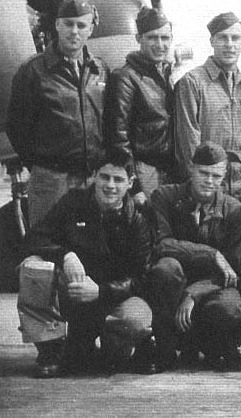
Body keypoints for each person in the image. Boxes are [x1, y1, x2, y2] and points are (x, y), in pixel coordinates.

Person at [18, 158, 155, 377]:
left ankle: (114, 348)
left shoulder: (138, 218)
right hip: (74, 295)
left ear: (130, 183)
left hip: (114, 299)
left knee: (135, 320)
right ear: (93, 177)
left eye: (118, 179)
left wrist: (102, 291)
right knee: (33, 266)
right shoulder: (73, 202)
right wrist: (66, 255)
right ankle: (50, 349)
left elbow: (143, 278)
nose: (110, 185)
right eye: (105, 177)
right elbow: (34, 239)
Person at [7, 0, 110, 227]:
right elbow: (16, 127)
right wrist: (42, 166)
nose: (74, 31)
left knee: (89, 250)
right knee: (47, 250)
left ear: (91, 29)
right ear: (57, 25)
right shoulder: (33, 71)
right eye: (68, 24)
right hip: (51, 181)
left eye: (81, 25)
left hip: (91, 179)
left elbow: (108, 121)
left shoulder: (100, 70)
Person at [147, 142, 241, 370]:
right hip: (174, 285)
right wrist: (211, 254)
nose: (209, 181)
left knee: (230, 308)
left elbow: (232, 270)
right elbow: (161, 245)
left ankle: (216, 347)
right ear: (191, 169)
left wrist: (193, 294)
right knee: (165, 268)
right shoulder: (164, 196)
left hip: (212, 287)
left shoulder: (233, 209)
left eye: (216, 176)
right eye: (203, 173)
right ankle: (166, 349)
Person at [174, 11, 241, 203]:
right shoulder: (192, 82)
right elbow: (188, 143)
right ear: (212, 41)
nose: (229, 44)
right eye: (223, 38)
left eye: (235, 38)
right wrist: (200, 187)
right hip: (208, 189)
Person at [103, 6, 176, 204]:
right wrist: (134, 187)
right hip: (144, 170)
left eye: (165, 38)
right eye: (152, 37)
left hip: (168, 169)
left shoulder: (169, 74)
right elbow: (117, 136)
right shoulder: (125, 77)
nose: (159, 44)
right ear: (138, 39)